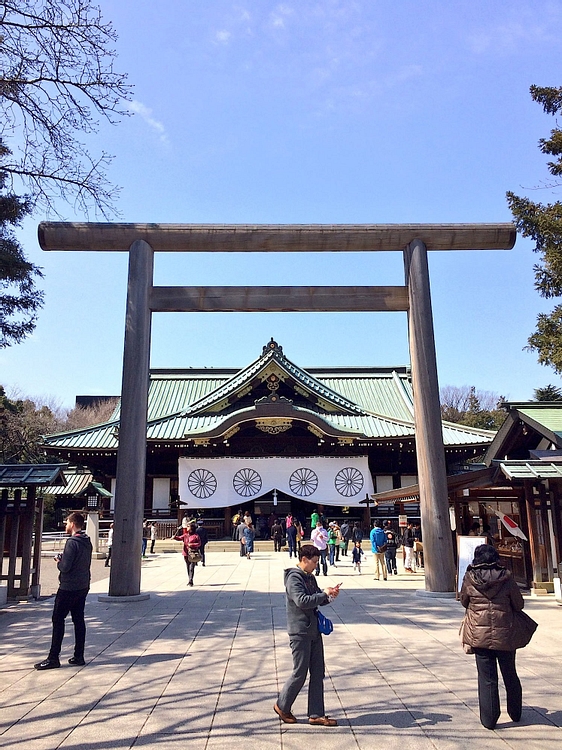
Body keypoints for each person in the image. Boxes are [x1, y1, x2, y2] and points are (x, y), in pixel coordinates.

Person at [460, 544, 527, 730]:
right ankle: (515, 713)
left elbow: (464, 601)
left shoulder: (469, 577)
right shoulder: (506, 577)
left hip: (479, 635)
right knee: (510, 673)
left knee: (487, 678)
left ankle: (489, 719)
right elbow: (519, 604)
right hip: (505, 633)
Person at [274, 544, 340, 727]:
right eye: (314, 562)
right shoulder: (294, 578)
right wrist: (322, 595)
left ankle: (317, 713)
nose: (316, 566)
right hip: (300, 631)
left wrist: (329, 595)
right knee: (300, 672)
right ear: (304, 560)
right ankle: (282, 705)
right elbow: (302, 601)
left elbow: (316, 597)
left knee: (318, 672)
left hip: (314, 630)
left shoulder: (309, 577)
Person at [35, 512, 92, 670]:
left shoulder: (72, 542)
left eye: (67, 523)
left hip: (68, 587)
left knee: (58, 619)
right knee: (78, 619)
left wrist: (59, 561)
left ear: (73, 524)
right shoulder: (87, 541)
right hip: (83, 585)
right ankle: (78, 655)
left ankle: (53, 657)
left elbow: (65, 567)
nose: (66, 525)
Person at [174, 521, 201, 586]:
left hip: (193, 553)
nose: (187, 527)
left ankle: (191, 580)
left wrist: (191, 544)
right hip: (186, 552)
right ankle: (189, 578)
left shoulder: (196, 536)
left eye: (188, 526)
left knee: (191, 567)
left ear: (192, 528)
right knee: (187, 566)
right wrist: (175, 537)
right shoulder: (185, 535)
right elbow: (179, 538)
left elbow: (199, 543)